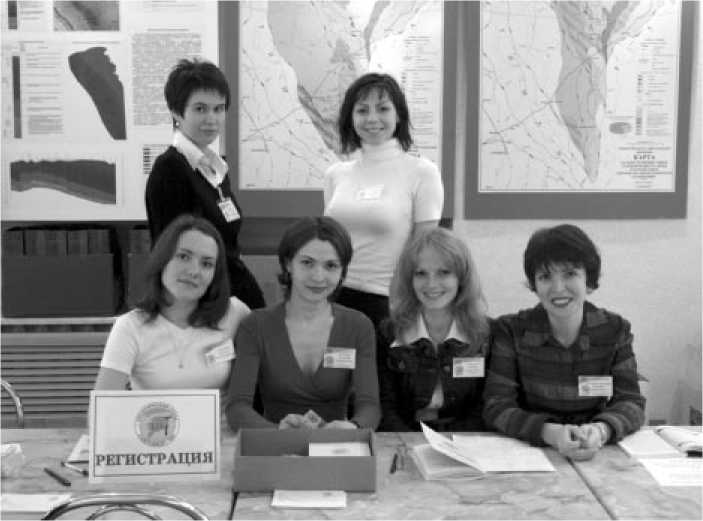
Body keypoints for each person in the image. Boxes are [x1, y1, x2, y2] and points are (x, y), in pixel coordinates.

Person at [483, 224, 645, 460]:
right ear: (534, 284)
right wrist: (550, 433)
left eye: (570, 274)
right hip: (531, 452)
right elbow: (496, 406)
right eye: (545, 277)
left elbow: (631, 402)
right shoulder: (511, 331)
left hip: (595, 451)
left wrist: (601, 430)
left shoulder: (615, 330)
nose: (558, 288)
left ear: (588, 280)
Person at [226, 217, 381, 431]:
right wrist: (277, 432)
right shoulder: (255, 326)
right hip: (275, 444)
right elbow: (237, 408)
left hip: (336, 445)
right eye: (307, 263)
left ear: (342, 272)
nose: (318, 276)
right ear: (288, 263)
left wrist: (354, 427)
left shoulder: (359, 327)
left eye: (331, 266)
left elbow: (370, 406)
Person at [324, 72, 443, 333]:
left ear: (398, 115)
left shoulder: (423, 173)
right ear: (350, 117)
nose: (372, 118)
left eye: (383, 108)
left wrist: (403, 300)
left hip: (389, 300)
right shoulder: (335, 174)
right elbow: (327, 241)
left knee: (380, 361)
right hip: (333, 296)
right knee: (336, 361)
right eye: (362, 110)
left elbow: (424, 248)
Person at [145, 58, 265, 310]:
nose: (212, 119)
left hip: (231, 297)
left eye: (218, 109)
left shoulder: (215, 167)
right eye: (200, 109)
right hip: (203, 305)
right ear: (176, 112)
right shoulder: (171, 169)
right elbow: (171, 255)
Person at [95, 215, 250, 391]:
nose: (194, 271)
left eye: (207, 264)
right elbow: (104, 404)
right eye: (184, 256)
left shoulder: (235, 313)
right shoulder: (130, 327)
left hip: (222, 411)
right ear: (162, 260)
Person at [379, 227, 490, 432]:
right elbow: (385, 406)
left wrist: (450, 444)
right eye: (421, 273)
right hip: (404, 439)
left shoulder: (486, 334)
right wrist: (412, 443)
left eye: (444, 273)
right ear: (409, 280)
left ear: (461, 277)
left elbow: (486, 407)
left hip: (464, 440)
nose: (431, 284)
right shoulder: (388, 332)